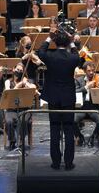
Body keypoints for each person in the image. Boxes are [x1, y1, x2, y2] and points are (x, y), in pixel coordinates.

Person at [38, 30, 81, 170]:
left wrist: (48, 38)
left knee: (54, 129)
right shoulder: (72, 58)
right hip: (68, 97)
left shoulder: (50, 56)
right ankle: (69, 163)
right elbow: (78, 55)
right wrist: (72, 41)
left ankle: (55, 162)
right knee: (69, 130)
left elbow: (41, 51)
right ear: (67, 43)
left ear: (55, 43)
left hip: (53, 97)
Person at [74, 61, 99, 147]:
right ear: (84, 71)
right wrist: (86, 87)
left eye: (93, 70)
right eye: (89, 71)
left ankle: (94, 135)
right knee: (72, 120)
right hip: (81, 108)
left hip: (94, 108)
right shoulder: (79, 80)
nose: (91, 73)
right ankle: (79, 136)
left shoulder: (97, 79)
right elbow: (75, 92)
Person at [3, 63, 37, 150]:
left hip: (24, 109)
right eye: (17, 70)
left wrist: (26, 84)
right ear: (13, 70)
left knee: (23, 120)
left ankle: (22, 140)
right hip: (11, 109)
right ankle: (12, 140)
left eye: (21, 71)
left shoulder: (27, 82)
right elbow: (8, 94)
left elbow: (34, 89)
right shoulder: (8, 82)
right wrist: (17, 86)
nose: (19, 72)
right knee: (9, 121)